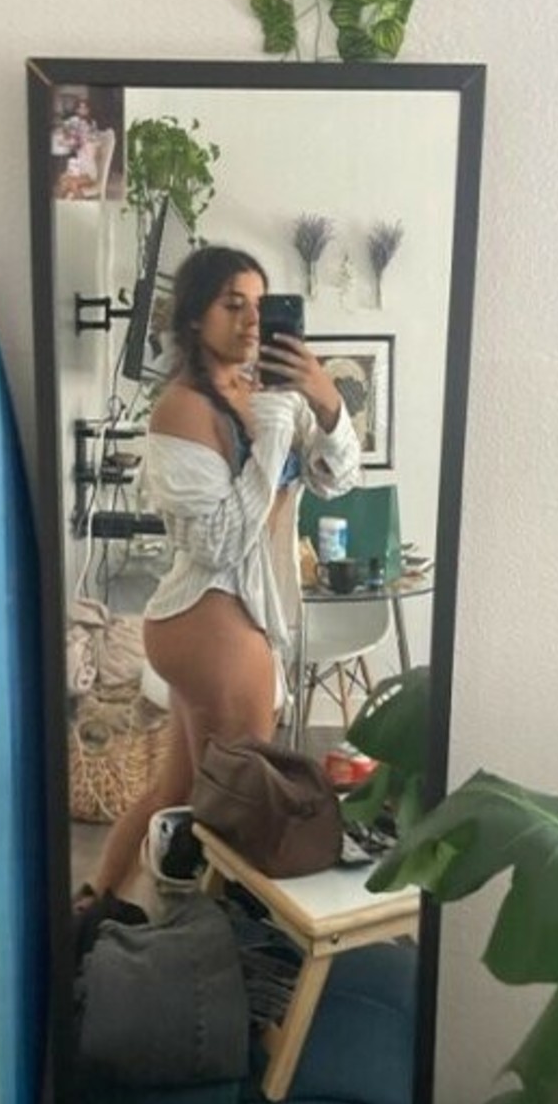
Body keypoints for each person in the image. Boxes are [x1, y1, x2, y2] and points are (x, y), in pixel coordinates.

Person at [75, 244, 362, 909]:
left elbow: (337, 478)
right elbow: (220, 541)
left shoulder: (266, 395)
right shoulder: (181, 409)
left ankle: (93, 905)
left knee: (178, 790)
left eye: (260, 305)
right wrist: (271, 436)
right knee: (242, 809)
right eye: (233, 305)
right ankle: (215, 945)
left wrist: (325, 404)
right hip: (213, 616)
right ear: (193, 317)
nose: (252, 321)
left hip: (221, 618)